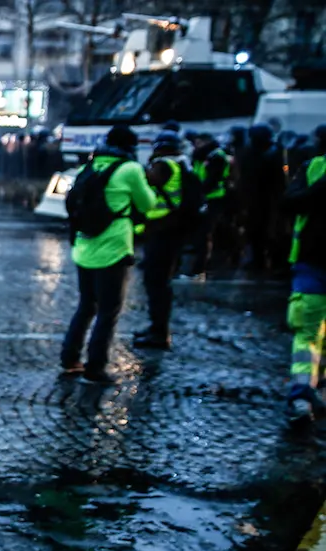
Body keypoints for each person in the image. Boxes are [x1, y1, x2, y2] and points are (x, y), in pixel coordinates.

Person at [61, 125, 158, 385]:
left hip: (84, 247)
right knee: (108, 310)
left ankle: (70, 359)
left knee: (85, 306)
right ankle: (96, 367)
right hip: (113, 248)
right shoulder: (129, 170)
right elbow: (147, 204)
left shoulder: (88, 167)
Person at [136, 130, 200, 350]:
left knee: (156, 282)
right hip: (172, 229)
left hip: (163, 229)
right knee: (160, 281)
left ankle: (158, 332)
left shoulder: (164, 165)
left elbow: (146, 184)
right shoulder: (182, 164)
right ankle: (157, 328)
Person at [282, 124, 326, 425]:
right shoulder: (314, 167)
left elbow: (291, 202)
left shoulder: (313, 167)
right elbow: (290, 203)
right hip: (312, 263)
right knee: (310, 331)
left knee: (307, 334)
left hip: (312, 262)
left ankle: (303, 394)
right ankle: (310, 391)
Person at [237, 123, 288, 273]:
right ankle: (269, 260)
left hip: (261, 199)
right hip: (264, 199)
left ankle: (263, 260)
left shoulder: (250, 153)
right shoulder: (274, 151)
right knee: (263, 232)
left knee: (261, 232)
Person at [188, 131, 231, 277]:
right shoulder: (202, 155)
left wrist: (200, 192)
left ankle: (200, 269)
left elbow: (212, 179)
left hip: (213, 199)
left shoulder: (215, 156)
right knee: (204, 234)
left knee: (205, 234)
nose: (196, 145)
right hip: (205, 198)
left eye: (198, 142)